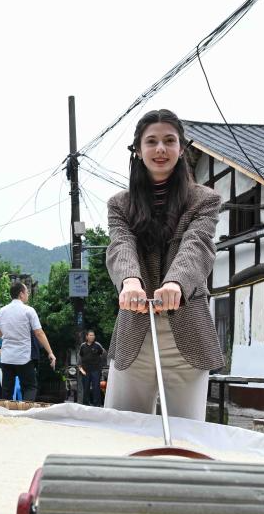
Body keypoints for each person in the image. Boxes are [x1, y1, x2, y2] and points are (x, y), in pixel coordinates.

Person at [104, 109, 224, 421]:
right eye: (151, 141)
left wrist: (176, 282)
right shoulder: (120, 204)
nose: (160, 149)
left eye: (169, 141)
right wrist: (130, 281)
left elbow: (197, 243)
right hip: (134, 328)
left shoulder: (205, 199)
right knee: (122, 427)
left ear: (181, 149)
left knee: (186, 431)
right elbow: (121, 244)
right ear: (138, 149)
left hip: (187, 329)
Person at [0, 282, 56, 401]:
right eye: (27, 292)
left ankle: (5, 412)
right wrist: (50, 352)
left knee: (7, 390)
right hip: (23, 356)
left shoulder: (1, 311)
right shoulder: (29, 310)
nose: (28, 295)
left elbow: (0, 332)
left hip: (6, 356)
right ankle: (25, 411)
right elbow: (39, 333)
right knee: (30, 387)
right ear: (21, 294)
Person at [78, 329, 105, 406]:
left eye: (93, 335)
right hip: (85, 370)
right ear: (86, 337)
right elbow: (80, 357)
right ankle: (86, 404)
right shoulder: (83, 346)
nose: (92, 337)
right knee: (86, 388)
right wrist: (80, 368)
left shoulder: (97, 345)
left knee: (96, 388)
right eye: (90, 335)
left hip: (96, 370)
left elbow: (103, 354)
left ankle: (97, 405)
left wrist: (100, 365)